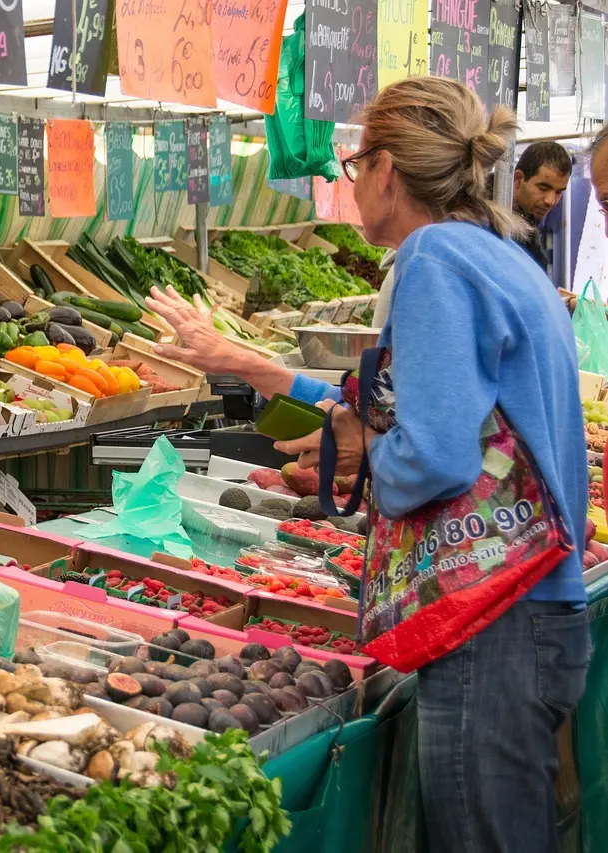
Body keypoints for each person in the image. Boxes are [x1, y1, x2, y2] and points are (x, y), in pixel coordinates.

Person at [151, 77, 588, 853]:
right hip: (531, 612)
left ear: (385, 169)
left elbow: (434, 455)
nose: (349, 182)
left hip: (493, 625)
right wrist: (264, 372)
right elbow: (421, 407)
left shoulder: (432, 260)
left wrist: (360, 453)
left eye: (352, 164)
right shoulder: (494, 253)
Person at [510, 140, 572, 270]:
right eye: (543, 188)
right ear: (518, 179)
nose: (551, 201)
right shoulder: (481, 219)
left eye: (558, 192)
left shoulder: (528, 223)